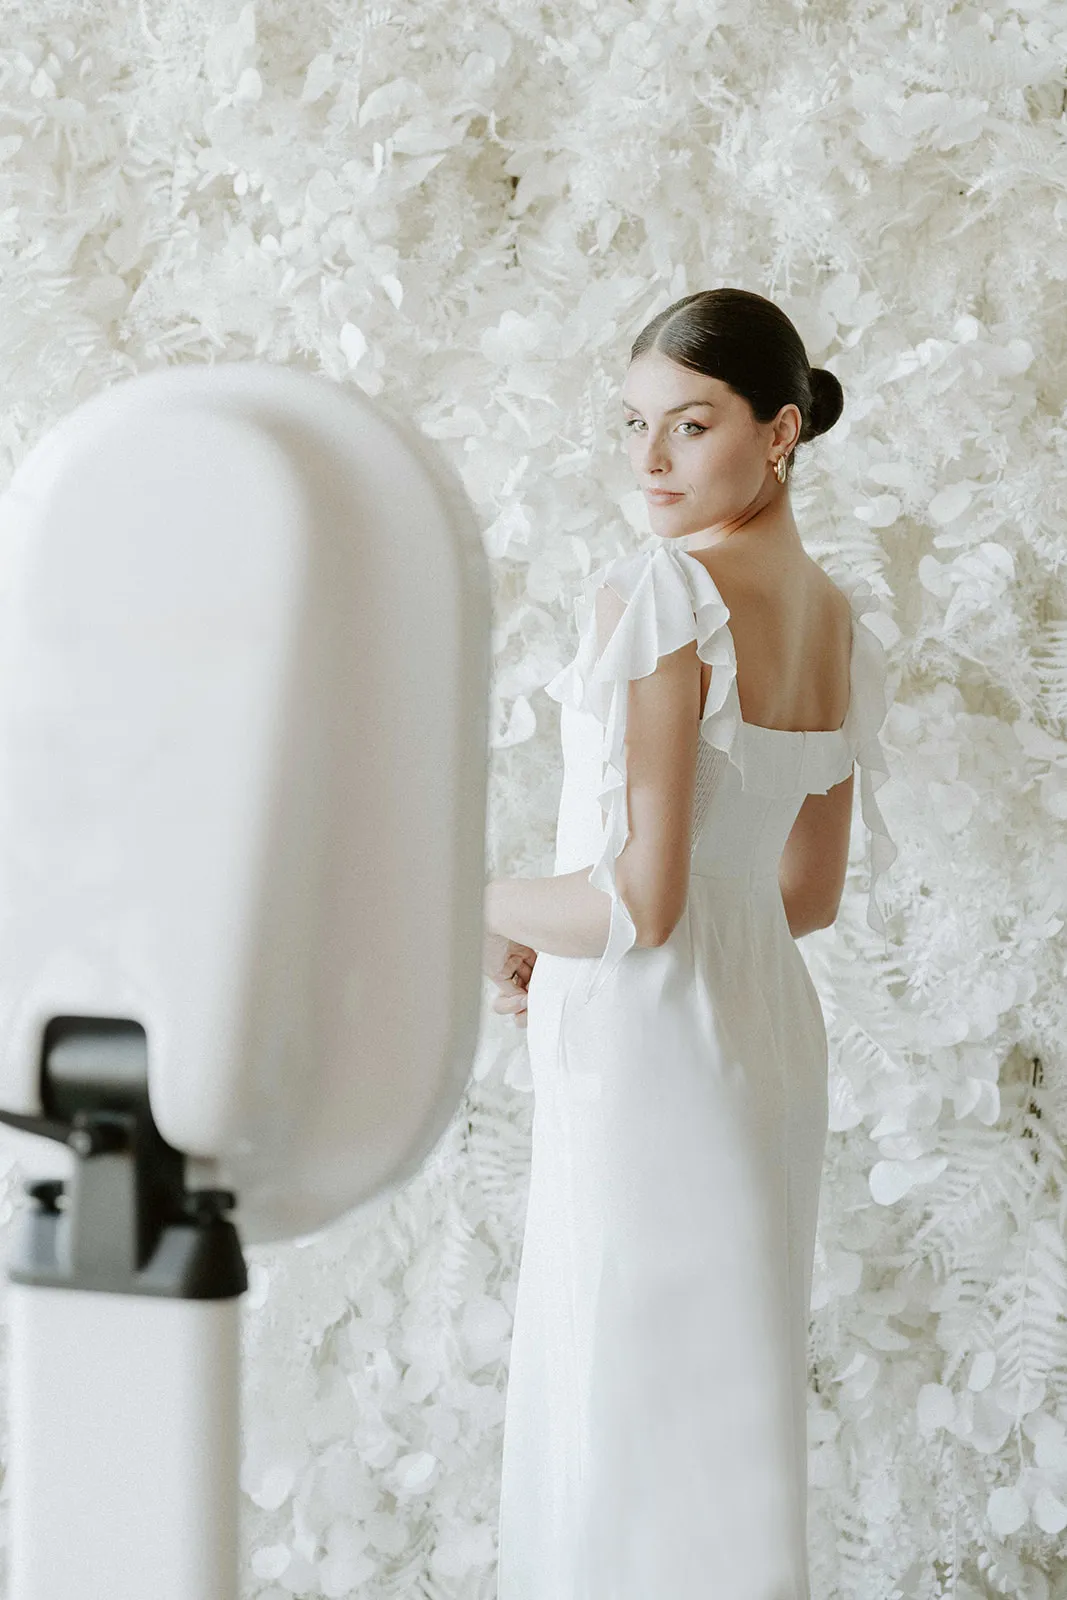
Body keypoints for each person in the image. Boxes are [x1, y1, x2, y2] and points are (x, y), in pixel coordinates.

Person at [483, 287, 896, 1599]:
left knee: (618, 1399)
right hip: (763, 1039)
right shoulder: (832, 616)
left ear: (779, 431)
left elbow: (634, 908)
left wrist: (475, 901)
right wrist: (572, 927)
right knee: (714, 1416)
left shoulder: (663, 591)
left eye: (691, 424)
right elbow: (803, 894)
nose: (649, 461)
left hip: (649, 1044)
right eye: (633, 424)